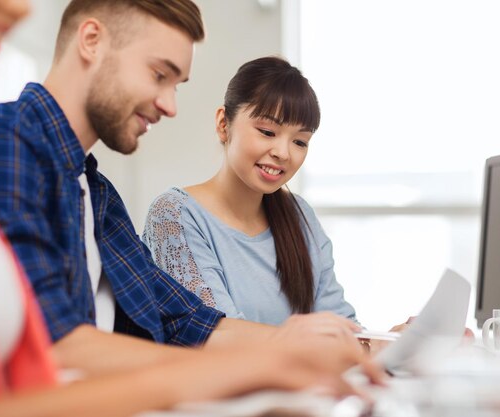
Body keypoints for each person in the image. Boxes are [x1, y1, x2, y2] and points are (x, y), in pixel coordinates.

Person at [0, 1, 383, 416]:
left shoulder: (97, 193)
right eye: (159, 75)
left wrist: (309, 348)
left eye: (177, 84)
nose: (170, 105)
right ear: (91, 40)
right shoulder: (2, 140)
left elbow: (184, 319)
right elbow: (52, 345)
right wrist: (261, 365)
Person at [143, 56, 357, 325]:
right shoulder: (175, 215)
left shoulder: (300, 215)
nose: (283, 153)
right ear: (224, 124)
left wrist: (384, 343)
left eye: (300, 141)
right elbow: (217, 333)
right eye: (267, 132)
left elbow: (339, 324)